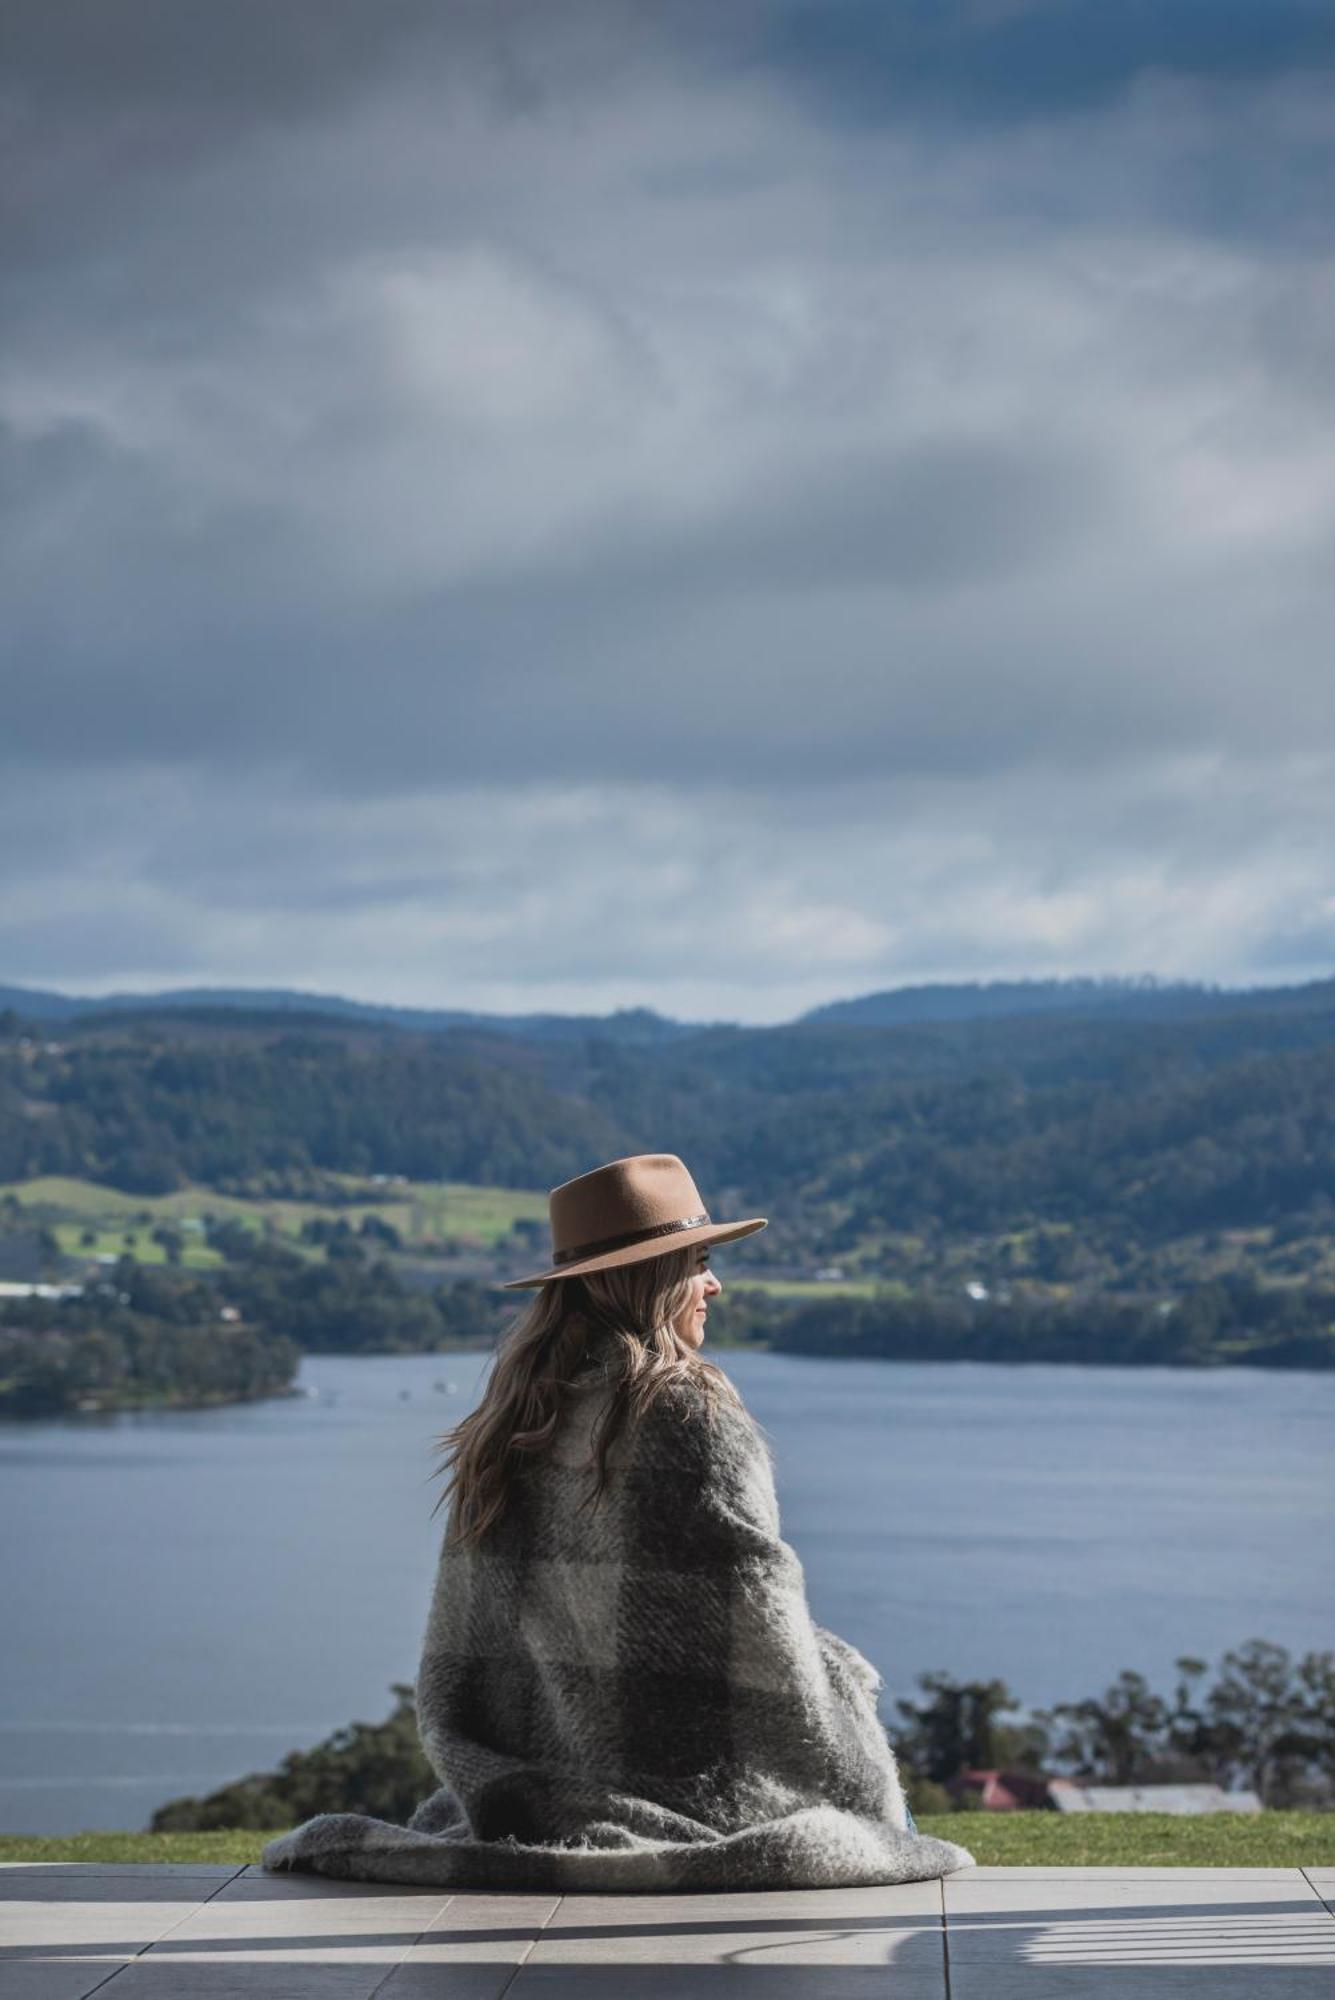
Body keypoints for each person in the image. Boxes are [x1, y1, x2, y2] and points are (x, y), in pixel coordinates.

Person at [261, 1153, 973, 1891]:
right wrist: (837, 1698)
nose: (714, 1283)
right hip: (696, 1775)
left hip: (547, 1765)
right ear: (652, 1278)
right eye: (697, 1262)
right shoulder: (691, 1414)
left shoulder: (512, 1420)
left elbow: (477, 1630)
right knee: (849, 1708)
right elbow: (758, 1614)